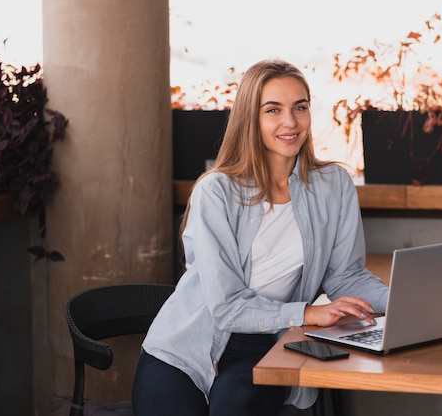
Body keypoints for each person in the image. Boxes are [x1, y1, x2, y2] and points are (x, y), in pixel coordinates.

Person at [132, 59, 389, 416]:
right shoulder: (216, 192)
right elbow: (226, 307)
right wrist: (309, 313)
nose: (291, 122)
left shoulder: (334, 186)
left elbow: (346, 276)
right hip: (185, 346)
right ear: (250, 118)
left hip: (265, 344)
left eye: (300, 107)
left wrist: (404, 302)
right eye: (273, 110)